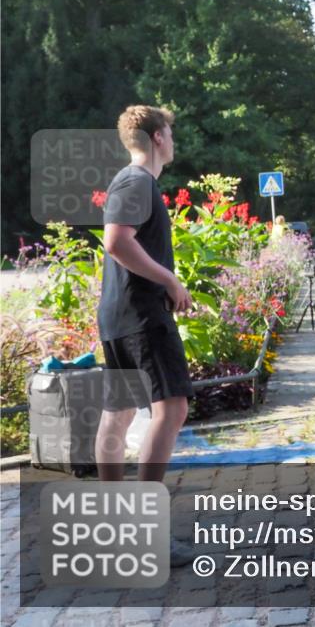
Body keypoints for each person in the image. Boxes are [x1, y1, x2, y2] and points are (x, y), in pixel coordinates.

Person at [94, 105, 194, 565]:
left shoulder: (129, 181)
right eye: (169, 131)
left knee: (117, 414)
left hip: (117, 316)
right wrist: (169, 281)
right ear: (157, 137)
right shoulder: (137, 181)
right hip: (140, 316)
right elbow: (117, 240)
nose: (173, 138)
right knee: (171, 408)